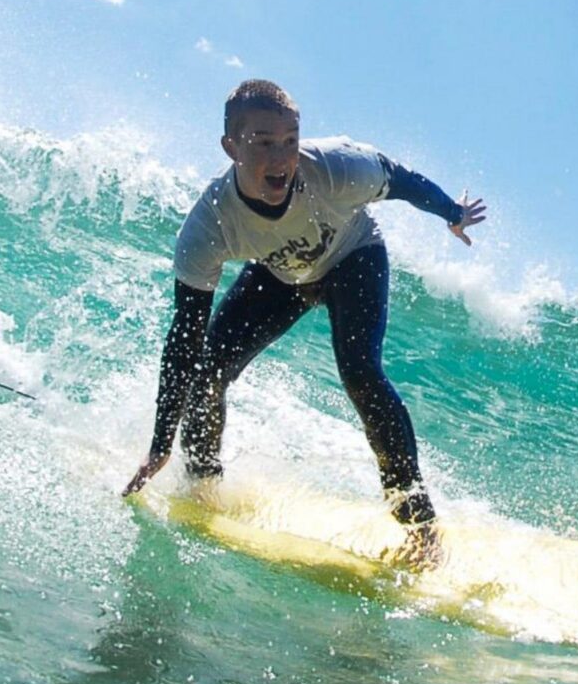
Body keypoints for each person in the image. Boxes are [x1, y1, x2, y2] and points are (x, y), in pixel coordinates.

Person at [123, 79, 486, 562]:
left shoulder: (337, 166)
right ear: (231, 146)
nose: (282, 157)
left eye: (290, 140)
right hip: (281, 273)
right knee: (208, 371)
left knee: (360, 371)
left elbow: (400, 179)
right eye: (263, 143)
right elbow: (184, 336)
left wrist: (452, 212)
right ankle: (202, 487)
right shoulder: (210, 224)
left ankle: (420, 528)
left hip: (353, 256)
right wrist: (158, 443)